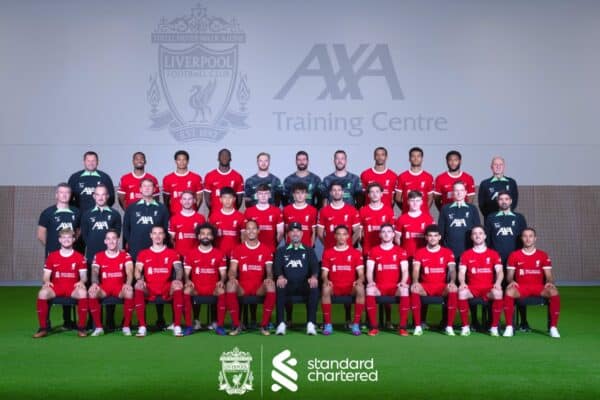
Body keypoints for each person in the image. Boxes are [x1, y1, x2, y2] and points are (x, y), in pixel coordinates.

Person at [503, 228, 561, 338]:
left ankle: (553, 327)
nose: (528, 238)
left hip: (538, 287)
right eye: (525, 236)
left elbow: (549, 275)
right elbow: (509, 276)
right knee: (509, 291)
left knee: (553, 291)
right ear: (522, 239)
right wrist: (511, 281)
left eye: (530, 236)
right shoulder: (514, 255)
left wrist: (549, 282)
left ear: (535, 239)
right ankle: (509, 327)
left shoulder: (543, 255)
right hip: (522, 288)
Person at [37, 182, 81, 329]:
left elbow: (78, 232)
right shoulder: (47, 213)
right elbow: (41, 234)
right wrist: (54, 250)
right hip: (54, 257)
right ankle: (45, 322)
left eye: (67, 193)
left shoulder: (76, 212)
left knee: (69, 283)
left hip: (70, 256)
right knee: (49, 285)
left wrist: (69, 247)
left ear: (70, 195)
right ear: (56, 195)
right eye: (61, 192)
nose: (64, 195)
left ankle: (68, 320)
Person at [484, 191, 528, 330]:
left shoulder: (519, 218)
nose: (504, 201)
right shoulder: (491, 218)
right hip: (496, 261)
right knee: (495, 289)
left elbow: (524, 240)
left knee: (517, 290)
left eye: (506, 199)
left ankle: (523, 321)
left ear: (511, 201)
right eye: (501, 199)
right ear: (498, 201)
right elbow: (488, 241)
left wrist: (521, 258)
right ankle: (492, 321)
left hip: (515, 262)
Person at [33, 228, 88, 338]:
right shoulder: (52, 256)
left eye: (69, 238)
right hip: (56, 287)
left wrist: (81, 282)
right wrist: (47, 281)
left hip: (72, 288)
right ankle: (43, 328)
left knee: (83, 293)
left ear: (73, 240)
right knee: (42, 293)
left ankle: (81, 328)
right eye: (63, 237)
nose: (66, 240)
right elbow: (46, 276)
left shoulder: (80, 257)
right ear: (59, 240)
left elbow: (84, 276)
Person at [227, 220, 277, 336]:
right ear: (245, 231)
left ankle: (264, 325)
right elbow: (233, 269)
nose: (251, 231)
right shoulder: (237, 249)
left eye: (253, 228)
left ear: (258, 231)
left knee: (271, 284)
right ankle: (236, 325)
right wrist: (232, 277)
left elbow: (269, 271)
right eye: (248, 229)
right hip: (243, 288)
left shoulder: (266, 249)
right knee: (230, 284)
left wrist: (269, 278)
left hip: (258, 288)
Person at [133, 225, 184, 337]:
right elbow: (137, 270)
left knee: (178, 286)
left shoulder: (173, 253)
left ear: (164, 236)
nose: (157, 236)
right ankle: (142, 326)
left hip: (166, 287)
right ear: (151, 236)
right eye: (155, 233)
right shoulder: (143, 253)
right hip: (150, 287)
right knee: (138, 286)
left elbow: (179, 270)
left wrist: (177, 280)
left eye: (160, 233)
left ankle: (177, 325)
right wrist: (139, 279)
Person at [410, 224, 458, 336]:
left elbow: (452, 270)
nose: (433, 238)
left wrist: (452, 281)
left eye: (435, 236)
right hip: (425, 286)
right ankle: (418, 326)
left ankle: (449, 326)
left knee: (452, 289)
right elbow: (416, 270)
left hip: (441, 286)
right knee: (414, 289)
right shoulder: (419, 252)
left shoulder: (447, 252)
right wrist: (415, 281)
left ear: (439, 237)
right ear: (426, 237)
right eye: (430, 236)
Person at [273, 222, 320, 335]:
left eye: (297, 231)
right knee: (280, 285)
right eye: (292, 231)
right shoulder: (281, 251)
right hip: (287, 284)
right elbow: (277, 266)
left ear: (302, 234)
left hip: (303, 285)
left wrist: (313, 277)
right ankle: (280, 324)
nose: (295, 233)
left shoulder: (309, 250)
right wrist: (280, 276)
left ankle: (311, 323)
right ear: (288, 234)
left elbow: (315, 266)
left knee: (314, 287)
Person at [457, 226, 504, 337]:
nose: (477, 235)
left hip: (488, 288)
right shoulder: (466, 254)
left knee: (498, 293)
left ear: (485, 236)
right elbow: (461, 272)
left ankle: (494, 327)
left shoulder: (493, 254)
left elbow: (500, 272)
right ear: (471, 237)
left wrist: (497, 283)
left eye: (480, 233)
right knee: (462, 292)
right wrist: (463, 283)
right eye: (475, 233)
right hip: (472, 288)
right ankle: (465, 327)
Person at [182, 223, 228, 336]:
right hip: (197, 287)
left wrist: (222, 281)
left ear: (212, 237)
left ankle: (220, 326)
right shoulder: (190, 253)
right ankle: (189, 326)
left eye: (208, 234)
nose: (205, 236)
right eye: (202, 234)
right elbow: (186, 273)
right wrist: (187, 280)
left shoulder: (219, 253)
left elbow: (223, 273)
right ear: (198, 236)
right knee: (186, 291)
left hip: (213, 288)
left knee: (222, 290)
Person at [87, 229, 134, 336]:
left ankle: (126, 326)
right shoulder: (98, 255)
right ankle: (99, 327)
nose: (111, 241)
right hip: (104, 288)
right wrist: (94, 283)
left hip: (119, 288)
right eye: (108, 239)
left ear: (118, 240)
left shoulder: (125, 255)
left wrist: (128, 283)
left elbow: (130, 272)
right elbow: (94, 272)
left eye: (114, 238)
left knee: (129, 292)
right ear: (105, 241)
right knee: (92, 292)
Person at [365, 224, 410, 336]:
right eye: (383, 232)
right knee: (369, 290)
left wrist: (403, 282)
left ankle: (403, 327)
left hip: (394, 287)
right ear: (380, 234)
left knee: (404, 290)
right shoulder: (373, 251)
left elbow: (405, 271)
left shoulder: (400, 251)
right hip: (379, 287)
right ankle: (374, 327)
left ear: (393, 234)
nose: (386, 234)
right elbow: (369, 271)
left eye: (389, 231)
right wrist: (370, 282)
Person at [321, 225, 365, 336]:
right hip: (334, 287)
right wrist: (326, 280)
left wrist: (359, 280)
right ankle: (328, 324)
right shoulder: (328, 252)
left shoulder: (355, 253)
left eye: (344, 234)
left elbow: (361, 274)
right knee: (325, 288)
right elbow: (324, 274)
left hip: (350, 287)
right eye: (339, 234)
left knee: (360, 288)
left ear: (348, 236)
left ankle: (355, 324)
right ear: (335, 236)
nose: (341, 237)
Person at [122, 178, 169, 261]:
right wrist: (131, 243)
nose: (147, 188)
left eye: (150, 186)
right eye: (144, 186)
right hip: (135, 250)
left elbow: (166, 229)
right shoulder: (131, 208)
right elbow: (126, 229)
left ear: (154, 189)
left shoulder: (162, 208)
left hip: (156, 249)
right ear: (140, 189)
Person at [438, 181, 481, 261]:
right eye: (456, 190)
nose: (459, 193)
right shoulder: (445, 209)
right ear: (453, 193)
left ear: (465, 193)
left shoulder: (472, 208)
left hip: (468, 249)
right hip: (449, 250)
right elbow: (441, 231)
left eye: (461, 190)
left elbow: (477, 229)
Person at [80, 184, 122, 264]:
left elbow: (117, 235)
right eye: (98, 195)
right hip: (92, 254)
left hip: (110, 254)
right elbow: (84, 235)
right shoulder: (86, 214)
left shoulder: (115, 214)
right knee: (93, 276)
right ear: (94, 196)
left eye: (103, 194)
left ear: (108, 196)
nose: (100, 197)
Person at [317, 182, 360, 250]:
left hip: (347, 251)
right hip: (330, 250)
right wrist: (327, 246)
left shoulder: (352, 210)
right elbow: (320, 233)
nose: (337, 192)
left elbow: (357, 231)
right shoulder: (324, 211)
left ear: (343, 192)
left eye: (339, 190)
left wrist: (350, 245)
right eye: (334, 190)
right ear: (330, 193)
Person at [394, 190, 434, 262]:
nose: (415, 203)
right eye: (412, 201)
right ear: (408, 202)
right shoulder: (401, 219)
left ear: (421, 202)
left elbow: (433, 238)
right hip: (406, 256)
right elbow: (397, 240)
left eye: (417, 200)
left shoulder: (428, 219)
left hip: (424, 256)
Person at [243, 184, 284, 252]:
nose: (263, 196)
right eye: (260, 193)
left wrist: (275, 244)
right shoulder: (249, 211)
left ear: (270, 195)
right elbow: (245, 232)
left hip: (271, 249)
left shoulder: (277, 211)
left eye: (266, 193)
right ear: (256, 195)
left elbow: (280, 232)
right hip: (253, 249)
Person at [359, 182, 395, 258]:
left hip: (384, 250)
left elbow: (392, 232)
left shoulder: (388, 210)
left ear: (381, 194)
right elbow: (360, 234)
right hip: (368, 250)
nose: (375, 194)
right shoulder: (363, 211)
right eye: (372, 192)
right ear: (368, 195)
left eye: (377, 192)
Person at [162, 150, 203, 214]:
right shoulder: (168, 178)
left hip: (191, 214)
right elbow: (166, 200)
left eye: (184, 159)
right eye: (179, 160)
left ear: (188, 161)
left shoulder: (196, 177)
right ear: (175, 161)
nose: (181, 162)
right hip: (174, 215)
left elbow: (199, 198)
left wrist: (193, 211)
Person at [395, 147, 434, 214]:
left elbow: (430, 198)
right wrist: (406, 209)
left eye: (418, 156)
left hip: (423, 216)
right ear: (409, 159)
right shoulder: (402, 176)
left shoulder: (428, 177)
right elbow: (398, 198)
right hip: (407, 215)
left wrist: (423, 211)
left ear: (422, 159)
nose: (416, 158)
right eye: (413, 156)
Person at [208, 187, 245, 258]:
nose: (227, 200)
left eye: (230, 198)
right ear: (220, 200)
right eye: (225, 198)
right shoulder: (214, 216)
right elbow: (210, 237)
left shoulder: (240, 217)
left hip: (235, 255)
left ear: (234, 199)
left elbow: (243, 238)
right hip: (218, 254)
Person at [168, 190, 206, 258]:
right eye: (184, 199)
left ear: (194, 201)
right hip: (179, 256)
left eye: (190, 199)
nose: (187, 202)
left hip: (196, 255)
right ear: (181, 201)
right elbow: (171, 240)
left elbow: (203, 238)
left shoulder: (201, 218)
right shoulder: (174, 218)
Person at [282, 183, 317, 248]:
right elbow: (286, 231)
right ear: (293, 195)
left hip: (307, 246)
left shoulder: (313, 210)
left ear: (306, 195)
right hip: (290, 247)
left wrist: (311, 247)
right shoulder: (286, 210)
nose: (300, 195)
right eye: (297, 193)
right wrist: (287, 244)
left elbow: (314, 232)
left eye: (302, 193)